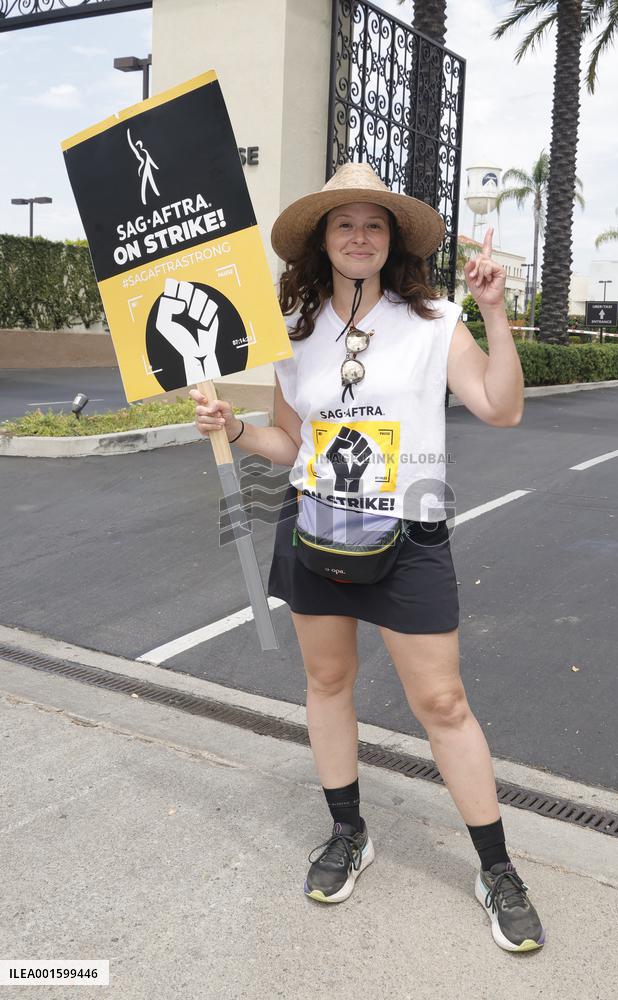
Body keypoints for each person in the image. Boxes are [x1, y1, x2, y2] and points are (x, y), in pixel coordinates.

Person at [190, 162, 545, 953]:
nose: (358, 236)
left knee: (444, 703)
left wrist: (493, 311)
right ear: (323, 239)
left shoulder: (434, 320)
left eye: (373, 224)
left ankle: (496, 869)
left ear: (392, 242)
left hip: (410, 533)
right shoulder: (295, 330)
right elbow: (288, 445)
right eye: (343, 223)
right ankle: (348, 832)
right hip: (315, 524)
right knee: (327, 681)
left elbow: (502, 406)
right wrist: (232, 426)